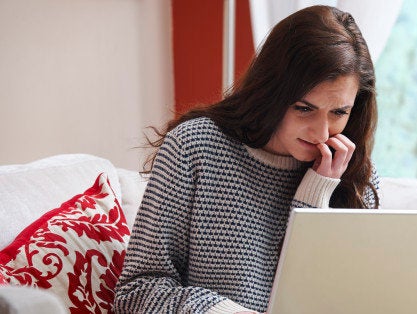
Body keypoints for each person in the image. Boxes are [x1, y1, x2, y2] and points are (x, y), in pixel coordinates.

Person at [114, 5, 379, 313]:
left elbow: (331, 299)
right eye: (303, 108)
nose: (321, 132)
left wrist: (317, 192)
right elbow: (138, 292)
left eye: (338, 112)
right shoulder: (195, 148)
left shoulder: (353, 174)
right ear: (272, 91)